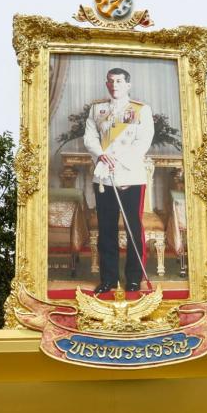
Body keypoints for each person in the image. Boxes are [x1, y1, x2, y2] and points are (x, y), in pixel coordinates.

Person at [82, 66, 155, 293]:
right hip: (104, 176)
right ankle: (109, 279)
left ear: (128, 85)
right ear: (107, 84)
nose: (115, 85)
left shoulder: (141, 110)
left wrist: (116, 159)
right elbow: (89, 138)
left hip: (131, 176)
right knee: (106, 230)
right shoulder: (97, 110)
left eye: (120, 81)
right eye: (111, 81)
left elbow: (143, 142)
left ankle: (133, 278)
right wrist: (102, 154)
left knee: (133, 228)